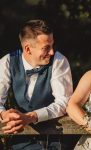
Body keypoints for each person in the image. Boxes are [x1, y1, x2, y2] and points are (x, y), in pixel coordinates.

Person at [0, 19, 73, 149]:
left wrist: (31, 117)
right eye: (46, 48)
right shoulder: (7, 62)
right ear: (28, 49)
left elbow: (63, 103)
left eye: (52, 45)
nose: (51, 52)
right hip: (22, 139)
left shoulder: (59, 61)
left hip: (56, 138)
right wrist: (4, 114)